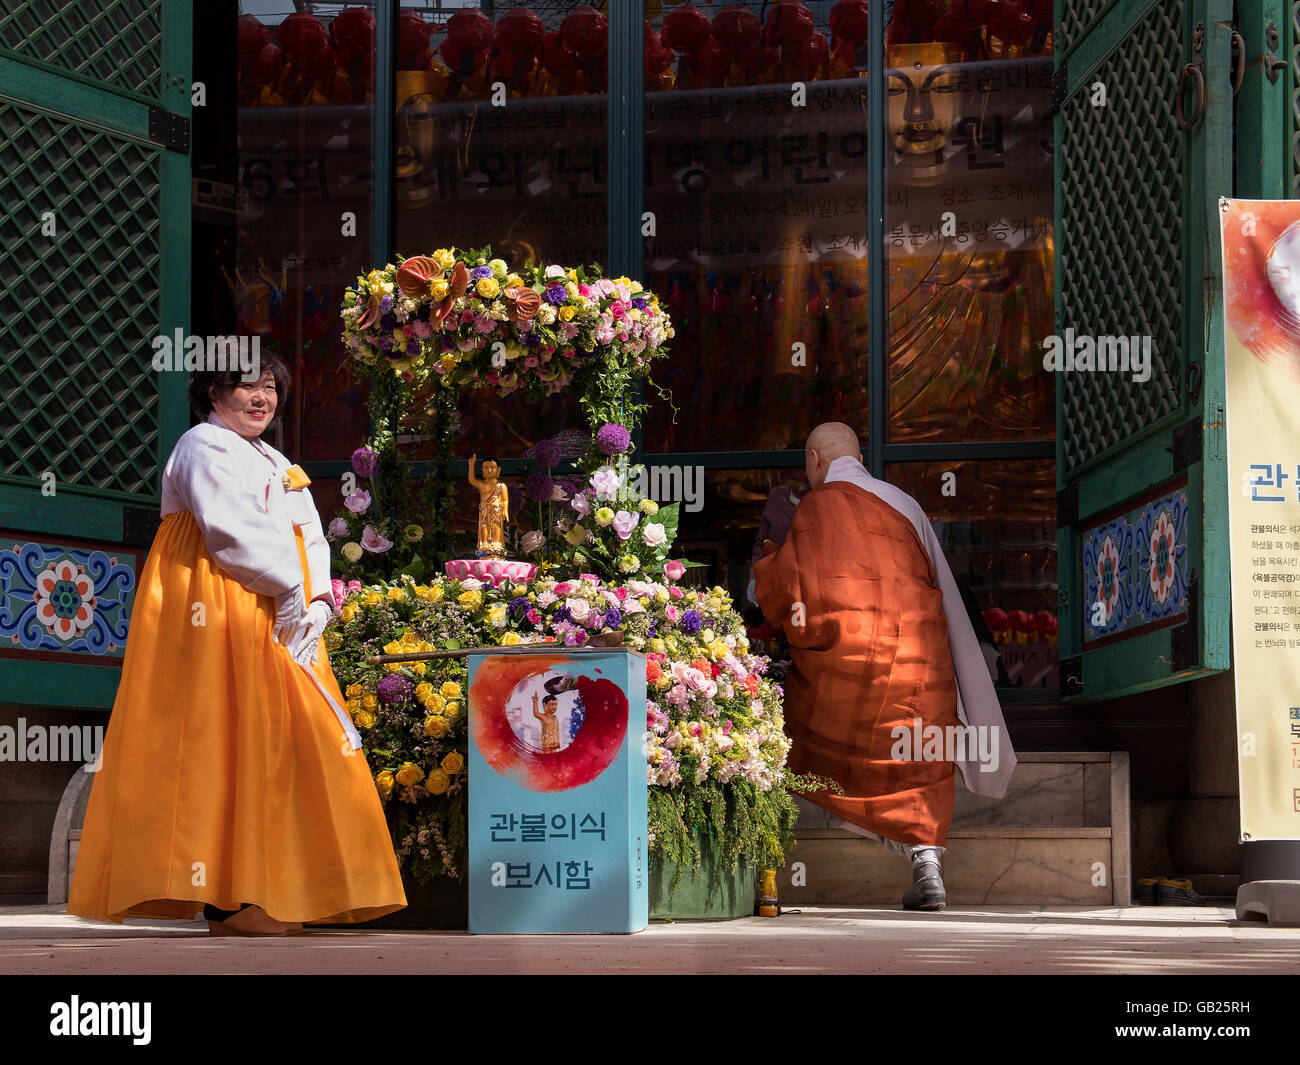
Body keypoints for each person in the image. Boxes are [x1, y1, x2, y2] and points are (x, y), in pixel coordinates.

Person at [68, 358, 407, 936]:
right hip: (220, 603)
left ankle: (274, 886)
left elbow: (310, 535)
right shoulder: (204, 444)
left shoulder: (274, 459)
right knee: (223, 740)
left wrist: (319, 598)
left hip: (277, 609)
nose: (261, 398)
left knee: (283, 740)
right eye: (248, 385)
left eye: (270, 387)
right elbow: (230, 534)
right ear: (213, 391)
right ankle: (228, 898)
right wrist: (292, 588)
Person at [753, 422, 1016, 910]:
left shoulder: (814, 508)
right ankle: (927, 868)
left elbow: (789, 591)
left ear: (813, 460)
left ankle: (764, 866)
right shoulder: (905, 504)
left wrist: (768, 555)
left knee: (795, 735)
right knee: (920, 756)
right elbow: (938, 583)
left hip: (844, 666)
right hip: (917, 660)